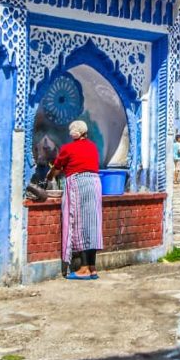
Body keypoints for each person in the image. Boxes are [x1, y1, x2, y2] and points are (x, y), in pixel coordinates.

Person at [46, 120, 102, 280]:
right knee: (93, 224)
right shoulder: (92, 146)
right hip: (95, 183)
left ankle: (83, 268)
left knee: (79, 224)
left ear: (73, 134)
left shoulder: (68, 148)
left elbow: (56, 169)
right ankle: (92, 268)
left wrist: (49, 176)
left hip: (79, 184)